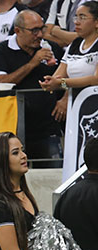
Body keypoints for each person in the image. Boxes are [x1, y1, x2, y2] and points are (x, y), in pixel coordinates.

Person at [0, 10, 65, 168]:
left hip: (48, 129)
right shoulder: (3, 50)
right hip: (16, 130)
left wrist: (65, 99)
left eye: (42, 29)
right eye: (34, 31)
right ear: (18, 31)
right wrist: (33, 63)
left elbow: (67, 81)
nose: (39, 35)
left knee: (52, 176)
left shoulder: (53, 49)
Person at [40, 1, 98, 178]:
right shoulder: (74, 45)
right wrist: (50, 82)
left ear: (96, 22)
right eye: (76, 17)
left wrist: (62, 83)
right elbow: (60, 75)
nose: (76, 22)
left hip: (94, 109)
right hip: (76, 110)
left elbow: (95, 79)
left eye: (82, 17)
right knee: (76, 152)